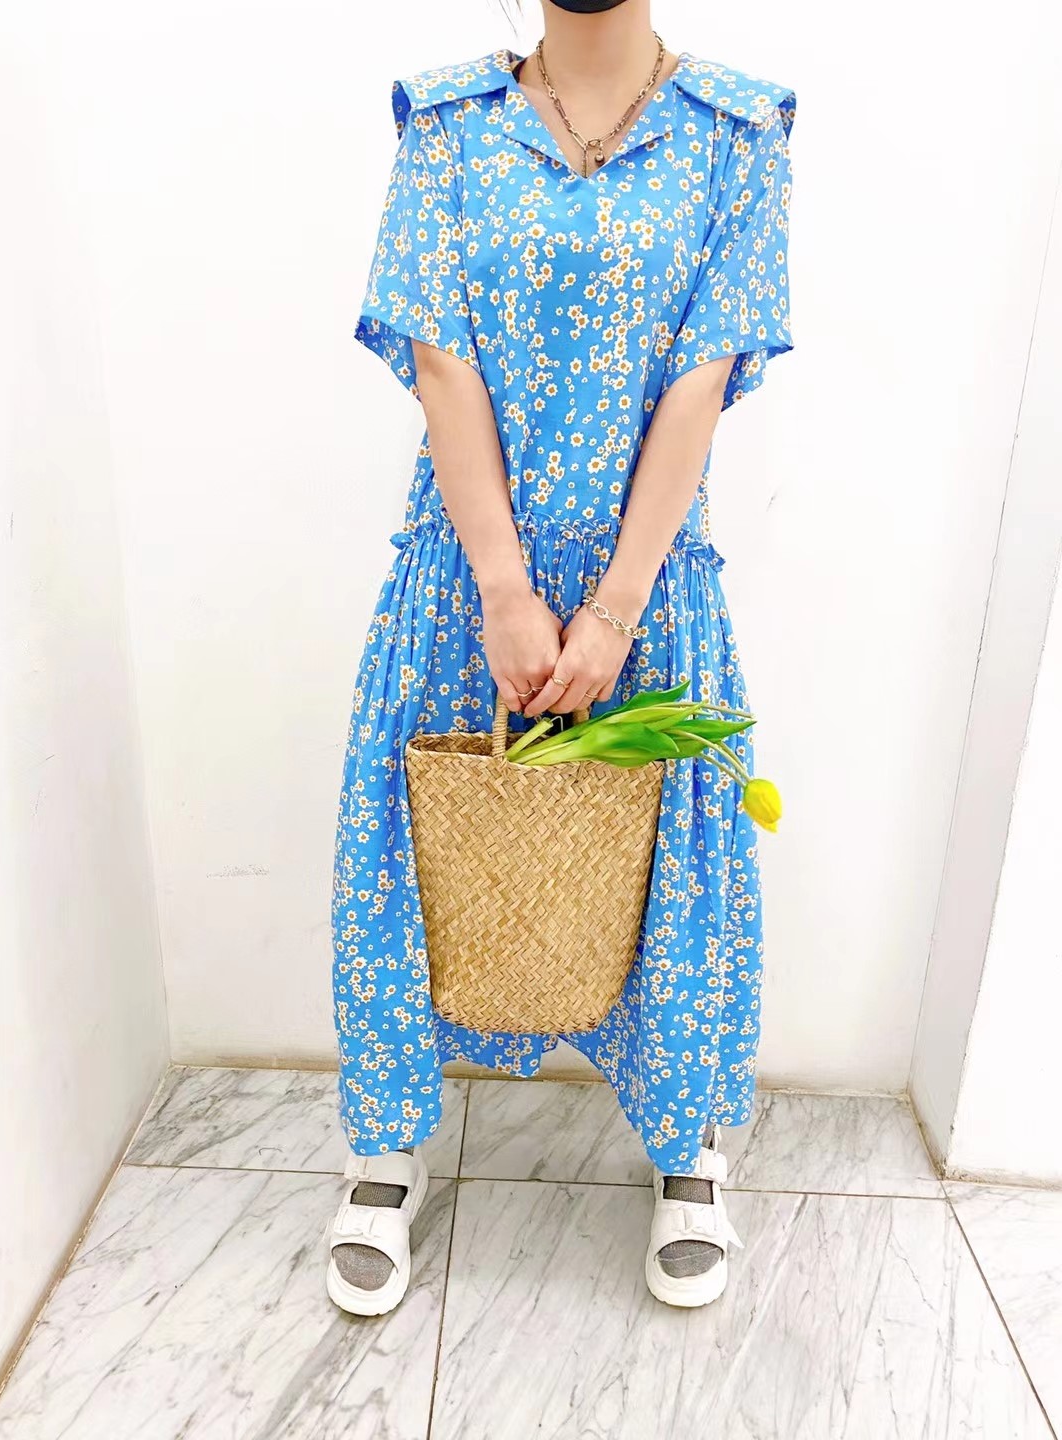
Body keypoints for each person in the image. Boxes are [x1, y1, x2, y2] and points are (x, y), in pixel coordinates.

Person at [327, 0, 795, 1315]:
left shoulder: (738, 133)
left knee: (676, 861)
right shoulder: (447, 124)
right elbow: (441, 358)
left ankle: (689, 1144)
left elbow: (702, 379)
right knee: (418, 849)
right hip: (466, 571)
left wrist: (615, 610)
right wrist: (503, 589)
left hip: (648, 580)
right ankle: (386, 1145)